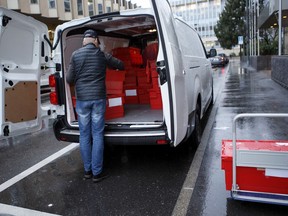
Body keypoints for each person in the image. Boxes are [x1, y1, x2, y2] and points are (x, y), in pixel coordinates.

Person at [66, 29, 124, 183]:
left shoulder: (75, 55)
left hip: (82, 100)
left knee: (84, 135)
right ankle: (97, 173)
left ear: (84, 41)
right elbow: (120, 64)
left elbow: (69, 78)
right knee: (97, 134)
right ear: (96, 40)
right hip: (98, 98)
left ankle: (87, 171)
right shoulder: (102, 55)